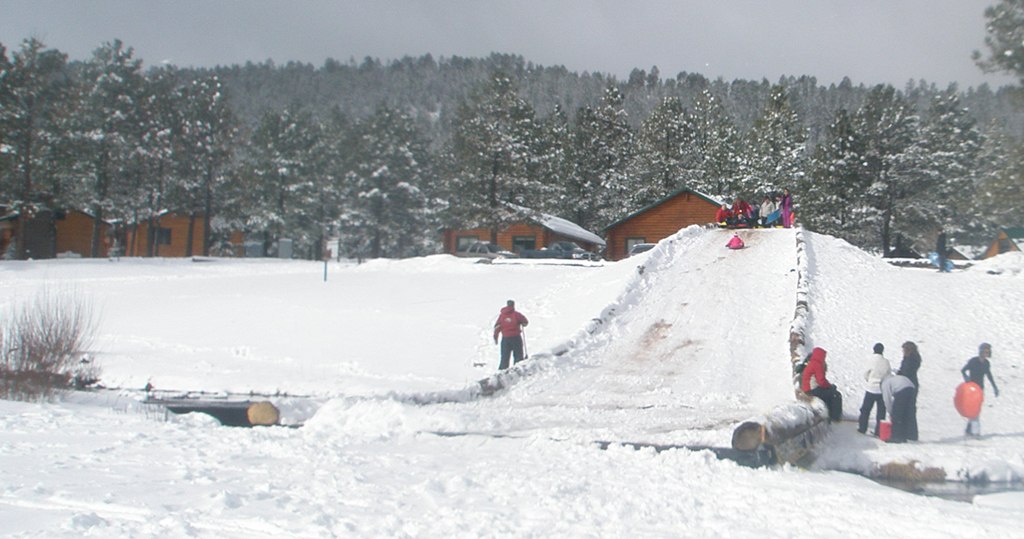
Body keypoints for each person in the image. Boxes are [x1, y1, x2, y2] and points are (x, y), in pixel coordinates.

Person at [961, 343, 1000, 436]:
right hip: (971, 389)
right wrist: (966, 378)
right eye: (984, 351)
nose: (985, 353)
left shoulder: (986, 363)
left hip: (980, 389)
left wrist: (994, 386)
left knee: (976, 410)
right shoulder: (973, 361)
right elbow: (963, 370)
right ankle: (975, 431)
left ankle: (969, 430)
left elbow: (989, 375)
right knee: (974, 410)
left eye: (987, 352)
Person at [801, 347, 843, 422]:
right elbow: (821, 381)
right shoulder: (817, 364)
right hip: (812, 389)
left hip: (808, 388)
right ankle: (835, 417)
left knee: (828, 392)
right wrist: (829, 386)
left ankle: (830, 413)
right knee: (836, 395)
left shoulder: (812, 363)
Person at [858, 343, 892, 436]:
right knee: (881, 412)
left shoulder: (871, 360)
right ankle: (879, 431)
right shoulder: (886, 361)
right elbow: (889, 374)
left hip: (872, 388)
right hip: (882, 389)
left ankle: (862, 428)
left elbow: (865, 373)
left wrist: (869, 380)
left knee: (866, 409)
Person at [895, 341, 921, 441]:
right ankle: (912, 433)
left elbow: (906, 371)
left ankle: (904, 432)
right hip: (913, 384)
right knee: (911, 409)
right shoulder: (916, 357)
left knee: (905, 408)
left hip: (907, 384)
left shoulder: (909, 359)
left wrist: (899, 373)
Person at [881, 373, 917, 443]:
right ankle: (911, 435)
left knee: (897, 415)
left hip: (901, 390)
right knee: (908, 413)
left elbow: (887, 399)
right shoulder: (895, 378)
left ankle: (896, 437)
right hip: (912, 388)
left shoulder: (885, 383)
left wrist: (891, 413)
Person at [493, 300, 529, 370]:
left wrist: (495, 337)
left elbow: (497, 327)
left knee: (505, 358)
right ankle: (518, 371)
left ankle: (502, 373)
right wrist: (520, 323)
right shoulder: (516, 314)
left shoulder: (502, 316)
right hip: (516, 338)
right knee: (518, 357)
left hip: (505, 339)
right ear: (513, 305)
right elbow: (525, 322)